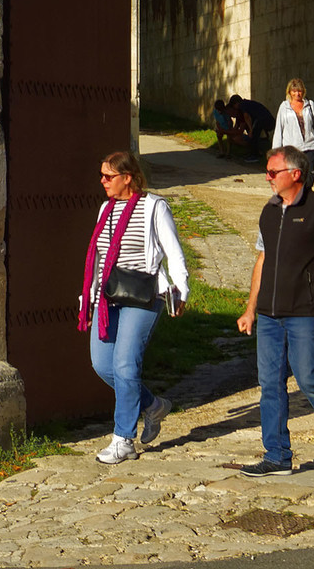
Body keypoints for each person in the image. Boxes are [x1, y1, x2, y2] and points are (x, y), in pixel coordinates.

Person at [235, 144, 314, 474]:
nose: (268, 177)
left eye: (273, 172)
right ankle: (277, 456)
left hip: (305, 312)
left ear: (295, 174)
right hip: (269, 315)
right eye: (267, 171)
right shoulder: (269, 211)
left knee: (308, 378)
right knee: (270, 384)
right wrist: (250, 308)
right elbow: (262, 260)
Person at [78, 149, 189, 464]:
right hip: (108, 296)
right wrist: (88, 296)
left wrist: (181, 291)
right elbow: (98, 258)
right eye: (102, 175)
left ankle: (123, 440)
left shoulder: (154, 207)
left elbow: (173, 252)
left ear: (128, 178)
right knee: (103, 366)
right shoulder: (105, 210)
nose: (103, 181)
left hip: (144, 295)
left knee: (126, 366)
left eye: (108, 176)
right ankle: (153, 406)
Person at [272, 78, 314, 171]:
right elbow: (278, 130)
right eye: (294, 91)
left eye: (299, 91)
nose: (297, 94)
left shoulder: (310, 105)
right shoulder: (284, 107)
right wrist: (276, 153)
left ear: (303, 91)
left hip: (310, 147)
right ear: (289, 92)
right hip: (292, 150)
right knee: (297, 179)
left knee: (309, 179)